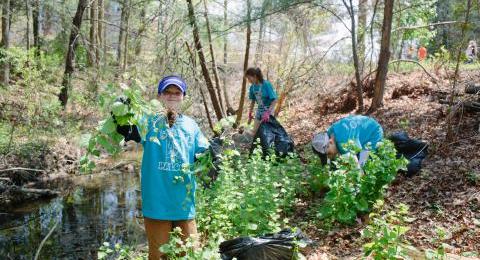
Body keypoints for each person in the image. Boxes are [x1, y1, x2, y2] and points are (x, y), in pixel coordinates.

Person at [116, 75, 209, 259]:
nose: (172, 96)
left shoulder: (191, 125)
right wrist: (120, 115)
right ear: (159, 96)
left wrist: (215, 152)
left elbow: (204, 156)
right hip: (157, 202)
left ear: (183, 96)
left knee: (190, 254)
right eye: (167, 92)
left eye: (177, 92)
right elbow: (127, 130)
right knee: (159, 255)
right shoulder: (147, 121)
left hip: (184, 202)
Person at [312, 115, 383, 167]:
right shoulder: (330, 132)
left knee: (363, 165)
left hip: (373, 133)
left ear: (330, 142)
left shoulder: (343, 143)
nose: (330, 156)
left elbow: (356, 167)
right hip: (364, 130)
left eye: (329, 154)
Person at [246, 67, 278, 136]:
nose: (248, 80)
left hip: (268, 109)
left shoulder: (266, 84)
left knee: (266, 133)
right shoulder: (252, 87)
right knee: (255, 131)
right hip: (259, 109)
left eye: (249, 78)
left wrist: (268, 113)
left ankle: (269, 146)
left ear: (254, 76)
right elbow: (253, 101)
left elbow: (275, 100)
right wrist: (250, 113)